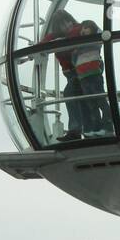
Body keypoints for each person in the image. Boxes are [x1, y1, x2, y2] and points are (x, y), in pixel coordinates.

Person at [41, 9, 84, 141]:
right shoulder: (55, 37)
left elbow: (76, 34)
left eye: (68, 22)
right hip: (72, 73)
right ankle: (86, 130)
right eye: (62, 25)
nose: (67, 26)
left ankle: (76, 131)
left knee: (71, 94)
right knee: (82, 98)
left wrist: (61, 40)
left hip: (84, 70)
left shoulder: (80, 29)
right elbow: (43, 44)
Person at [72, 20, 113, 136]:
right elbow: (74, 59)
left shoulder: (95, 42)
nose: (83, 31)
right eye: (82, 29)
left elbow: (102, 34)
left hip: (94, 75)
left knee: (101, 101)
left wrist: (95, 29)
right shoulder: (78, 47)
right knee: (91, 104)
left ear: (93, 29)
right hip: (83, 77)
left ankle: (108, 127)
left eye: (87, 28)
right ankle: (97, 129)